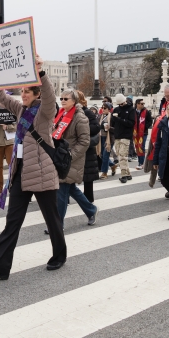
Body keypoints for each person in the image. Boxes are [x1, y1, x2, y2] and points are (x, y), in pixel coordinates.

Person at [0, 56, 67, 280]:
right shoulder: (20, 110)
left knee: (52, 219)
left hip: (42, 173)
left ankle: (59, 255)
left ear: (37, 94)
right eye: (22, 91)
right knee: (13, 221)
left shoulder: (45, 112)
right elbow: (1, 96)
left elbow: (50, 96)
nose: (23, 94)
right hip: (21, 173)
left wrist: (41, 73)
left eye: (28, 91)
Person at [45, 89, 96, 235]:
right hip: (60, 157)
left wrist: (70, 156)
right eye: (61, 98)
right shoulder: (61, 114)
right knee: (71, 188)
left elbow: (84, 141)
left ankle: (57, 225)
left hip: (71, 159)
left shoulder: (80, 117)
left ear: (74, 101)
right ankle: (91, 210)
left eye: (65, 99)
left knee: (61, 191)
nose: (62, 101)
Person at [78, 91, 101, 204]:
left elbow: (96, 127)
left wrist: (81, 131)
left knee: (87, 175)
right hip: (75, 147)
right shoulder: (68, 112)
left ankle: (88, 198)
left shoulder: (87, 112)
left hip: (87, 148)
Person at [110, 94, 135, 183]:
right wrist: (114, 119)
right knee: (120, 155)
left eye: (122, 103)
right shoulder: (116, 109)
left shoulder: (131, 109)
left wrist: (119, 119)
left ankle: (123, 175)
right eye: (119, 104)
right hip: (117, 135)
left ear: (125, 101)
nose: (121, 105)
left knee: (122, 155)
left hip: (126, 135)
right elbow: (113, 122)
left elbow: (131, 123)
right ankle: (128, 174)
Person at [132, 99, 153, 171]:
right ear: (137, 104)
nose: (143, 105)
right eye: (141, 103)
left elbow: (150, 121)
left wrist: (144, 127)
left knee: (141, 146)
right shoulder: (133, 111)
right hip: (135, 132)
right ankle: (139, 162)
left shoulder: (146, 112)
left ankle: (142, 163)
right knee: (137, 147)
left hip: (143, 133)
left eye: (143, 103)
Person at [98, 103, 117, 179]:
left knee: (105, 155)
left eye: (105, 108)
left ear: (109, 109)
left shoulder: (112, 117)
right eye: (102, 108)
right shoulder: (100, 116)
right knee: (102, 155)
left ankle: (104, 172)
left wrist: (110, 128)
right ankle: (112, 165)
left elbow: (116, 129)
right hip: (101, 138)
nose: (103, 109)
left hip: (109, 139)